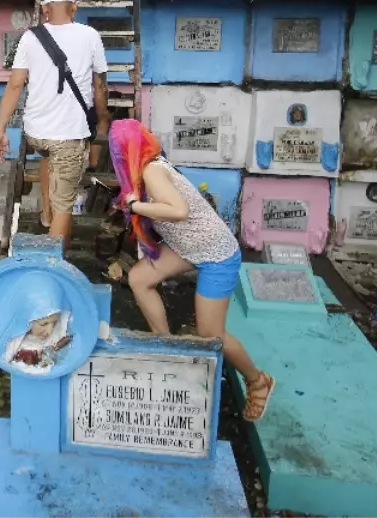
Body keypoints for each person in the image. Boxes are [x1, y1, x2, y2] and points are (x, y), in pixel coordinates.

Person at [109, 119, 275, 423]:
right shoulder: (145, 171)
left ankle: (257, 380)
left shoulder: (152, 170)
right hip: (188, 247)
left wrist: (135, 208)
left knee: (211, 333)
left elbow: (178, 210)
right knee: (139, 278)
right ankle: (167, 346)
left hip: (216, 254)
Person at [0, 0, 110, 251]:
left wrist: (0, 128)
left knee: (49, 156)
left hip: (37, 132)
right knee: (64, 207)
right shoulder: (90, 36)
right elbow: (99, 87)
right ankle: (56, 267)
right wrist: (102, 120)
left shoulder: (30, 37)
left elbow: (14, 85)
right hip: (67, 135)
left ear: (45, 9)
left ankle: (45, 214)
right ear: (74, 8)